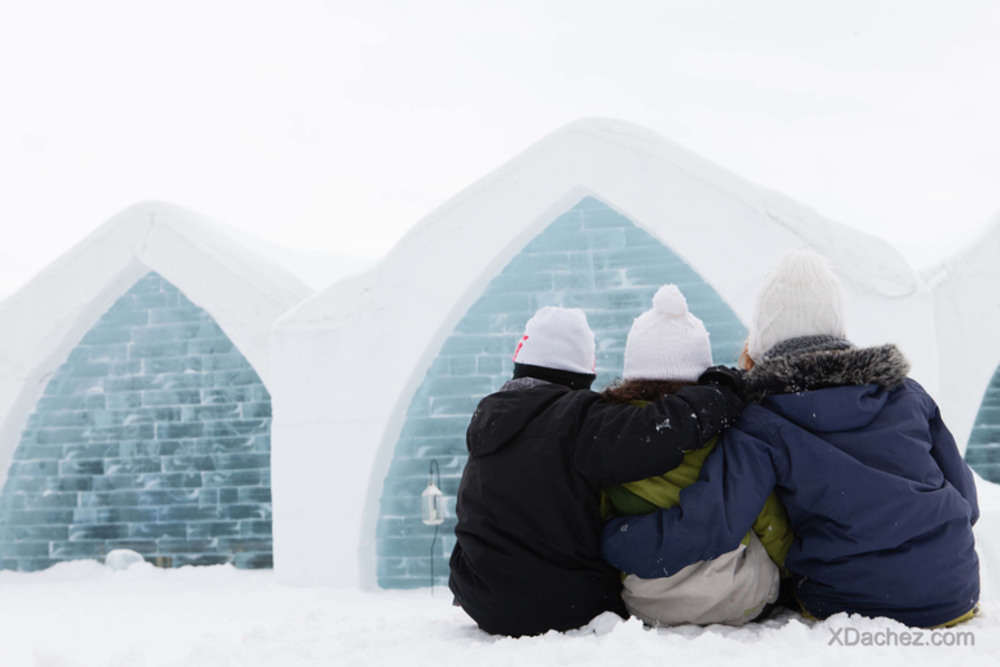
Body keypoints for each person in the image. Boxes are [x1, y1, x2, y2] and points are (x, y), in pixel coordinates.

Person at [602, 250, 980, 628]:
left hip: (846, 600)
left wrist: (616, 540)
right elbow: (967, 499)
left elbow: (716, 523)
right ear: (838, 327)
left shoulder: (762, 419)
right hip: (955, 590)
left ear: (765, 335)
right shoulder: (907, 393)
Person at [448, 305, 746, 637]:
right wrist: (721, 391)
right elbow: (664, 430)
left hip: (480, 598)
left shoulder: (489, 418)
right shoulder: (576, 419)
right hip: (562, 603)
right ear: (582, 374)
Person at [601, 284, 792, 627]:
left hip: (647, 600)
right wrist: (793, 573)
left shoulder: (612, 437)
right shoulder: (726, 431)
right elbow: (768, 518)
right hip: (738, 595)